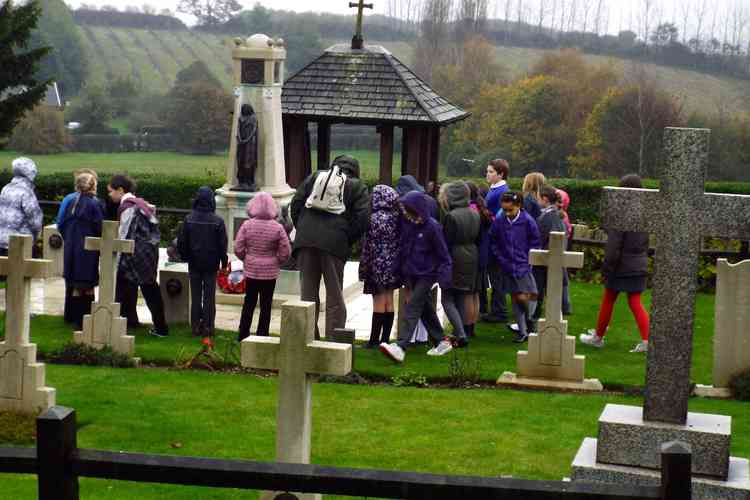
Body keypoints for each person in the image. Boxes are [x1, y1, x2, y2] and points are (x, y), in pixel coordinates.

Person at [290, 155, 369, 339]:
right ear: (355, 170)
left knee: (307, 294)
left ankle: (308, 338)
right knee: (334, 295)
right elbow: (363, 218)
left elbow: (296, 203)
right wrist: (346, 237)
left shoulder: (316, 177)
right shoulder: (357, 186)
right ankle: (334, 341)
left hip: (306, 240)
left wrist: (302, 227)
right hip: (334, 243)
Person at [580, 175, 650, 353]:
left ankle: (598, 338)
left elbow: (613, 246)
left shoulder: (621, 213)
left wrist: (607, 267)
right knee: (635, 301)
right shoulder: (645, 212)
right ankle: (648, 340)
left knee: (609, 299)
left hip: (621, 265)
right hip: (639, 263)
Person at [380, 191, 453, 363]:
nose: (405, 213)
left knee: (412, 306)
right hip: (412, 273)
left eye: (408, 210)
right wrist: (397, 270)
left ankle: (400, 346)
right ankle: (442, 342)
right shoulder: (408, 224)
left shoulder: (433, 227)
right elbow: (403, 248)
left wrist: (445, 278)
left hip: (428, 274)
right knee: (424, 308)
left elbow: (443, 255)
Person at [108, 174, 169, 338]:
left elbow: (124, 234)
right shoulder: (141, 203)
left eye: (111, 191)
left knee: (127, 288)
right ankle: (144, 324)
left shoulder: (127, 207)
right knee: (149, 288)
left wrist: (117, 258)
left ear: (120, 190)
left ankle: (118, 324)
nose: (109, 195)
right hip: (148, 252)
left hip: (135, 253)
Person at [235, 192, 291, 340]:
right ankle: (262, 335)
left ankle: (243, 333)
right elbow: (286, 250)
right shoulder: (277, 228)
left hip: (252, 270)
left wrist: (246, 258)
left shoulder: (247, 225)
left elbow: (238, 247)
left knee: (249, 302)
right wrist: (276, 260)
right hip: (270, 272)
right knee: (266, 305)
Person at [177, 186, 229, 337]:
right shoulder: (217, 221)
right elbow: (222, 246)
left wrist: (185, 257)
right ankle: (208, 327)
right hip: (211, 264)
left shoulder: (189, 219)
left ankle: (195, 327)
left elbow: (182, 242)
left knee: (196, 296)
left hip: (194, 262)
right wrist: (224, 263)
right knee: (209, 297)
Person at [490, 191, 541, 343]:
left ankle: (530, 319)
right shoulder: (500, 221)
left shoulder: (527, 221)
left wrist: (529, 259)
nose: (507, 213)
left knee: (525, 295)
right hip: (507, 265)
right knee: (514, 297)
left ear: (519, 206)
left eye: (510, 210)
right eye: (504, 210)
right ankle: (523, 330)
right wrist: (500, 258)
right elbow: (494, 240)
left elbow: (535, 241)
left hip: (523, 265)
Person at [58, 171, 104, 329]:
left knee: (76, 287)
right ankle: (86, 321)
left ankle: (76, 321)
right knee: (88, 286)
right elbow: (100, 227)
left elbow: (61, 225)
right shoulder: (95, 204)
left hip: (71, 248)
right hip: (87, 250)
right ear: (93, 186)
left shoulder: (71, 202)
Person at [359, 185, 401, 348]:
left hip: (376, 263)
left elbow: (367, 245)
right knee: (389, 300)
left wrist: (364, 268)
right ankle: (385, 339)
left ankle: (373, 341)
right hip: (392, 263)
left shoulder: (373, 218)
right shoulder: (396, 216)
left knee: (378, 300)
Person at [438, 182, 479, 347]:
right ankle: (459, 332)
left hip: (455, 257)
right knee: (462, 297)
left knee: (447, 298)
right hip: (471, 255)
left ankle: (460, 334)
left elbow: (446, 241)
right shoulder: (474, 213)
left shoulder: (451, 216)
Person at [531, 186, 566, 322]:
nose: (537, 200)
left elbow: (544, 237)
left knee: (540, 290)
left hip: (546, 259)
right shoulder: (554, 215)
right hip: (549, 259)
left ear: (545, 199)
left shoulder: (548, 217)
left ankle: (533, 318)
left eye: (538, 197)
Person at [483, 159, 510, 324]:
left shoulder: (502, 191)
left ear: (501, 174)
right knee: (494, 276)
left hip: (495, 240)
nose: (488, 174)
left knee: (496, 276)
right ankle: (496, 309)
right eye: (487, 171)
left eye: (491, 171)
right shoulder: (495, 189)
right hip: (491, 238)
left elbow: (500, 217)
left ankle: (499, 311)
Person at [0, 157, 43, 257]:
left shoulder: (6, 188)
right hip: (20, 243)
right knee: (23, 272)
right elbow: (35, 220)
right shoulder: (27, 191)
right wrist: (37, 235)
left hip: (2, 241)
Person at [466, 182, 493, 336]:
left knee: (469, 294)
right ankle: (473, 325)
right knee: (476, 293)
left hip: (473, 255)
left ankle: (467, 327)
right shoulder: (483, 209)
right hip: (482, 255)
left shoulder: (472, 211)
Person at [556, 188, 573, 316]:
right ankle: (565, 305)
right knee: (563, 275)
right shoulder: (564, 215)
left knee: (561, 275)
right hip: (562, 245)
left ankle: (565, 305)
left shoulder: (560, 216)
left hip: (559, 246)